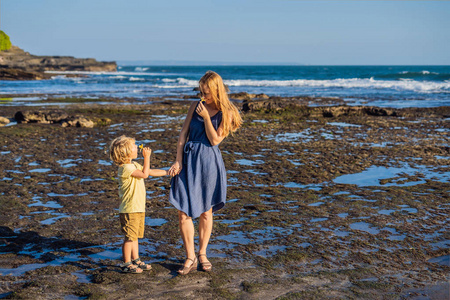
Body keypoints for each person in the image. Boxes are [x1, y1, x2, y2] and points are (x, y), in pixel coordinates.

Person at [168, 71, 242, 275]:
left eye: (206, 92)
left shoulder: (226, 111)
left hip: (209, 161)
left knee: (205, 211)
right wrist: (178, 160)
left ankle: (202, 253)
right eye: (201, 91)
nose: (203, 96)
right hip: (188, 159)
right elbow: (183, 134)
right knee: (183, 211)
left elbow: (215, 140)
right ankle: (189, 256)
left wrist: (205, 118)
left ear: (217, 90)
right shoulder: (194, 106)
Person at [109, 135, 168, 273]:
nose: (137, 147)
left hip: (137, 208)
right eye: (134, 147)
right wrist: (147, 157)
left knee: (134, 236)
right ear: (125, 153)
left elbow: (150, 172)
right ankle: (126, 263)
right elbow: (145, 175)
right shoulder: (125, 168)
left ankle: (136, 260)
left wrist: (167, 172)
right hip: (129, 209)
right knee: (129, 237)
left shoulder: (134, 165)